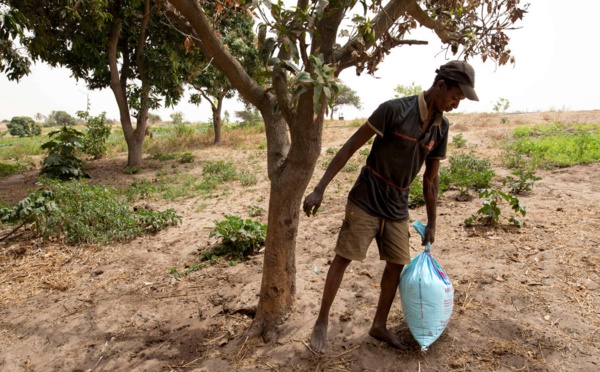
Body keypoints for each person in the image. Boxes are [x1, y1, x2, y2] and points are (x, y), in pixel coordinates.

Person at [302, 60, 479, 353]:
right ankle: (321, 321)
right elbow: (349, 147)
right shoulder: (394, 110)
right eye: (454, 97)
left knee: (397, 264)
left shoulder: (441, 129)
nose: (455, 105)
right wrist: (320, 188)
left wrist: (432, 222)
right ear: (441, 86)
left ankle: (378, 325)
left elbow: (431, 180)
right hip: (367, 197)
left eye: (459, 101)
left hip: (398, 204)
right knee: (343, 258)